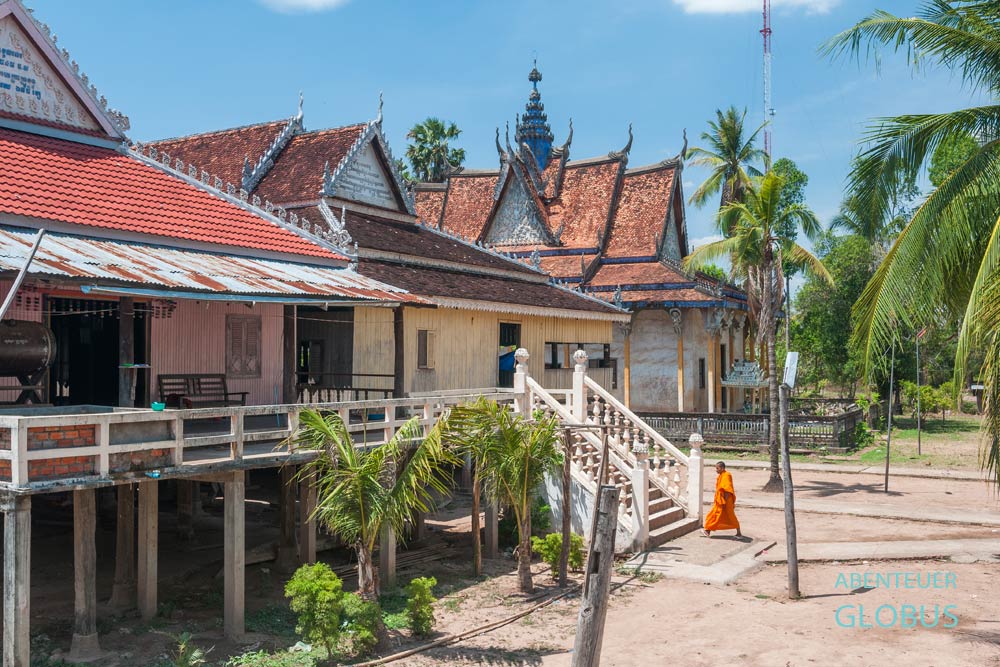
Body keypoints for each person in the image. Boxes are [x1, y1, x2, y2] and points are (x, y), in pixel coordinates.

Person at [702, 461, 742, 537]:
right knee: (714, 515)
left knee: (730, 516)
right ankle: (707, 530)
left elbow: (727, 490)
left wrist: (725, 501)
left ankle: (739, 533)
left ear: (722, 468)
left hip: (726, 500)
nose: (716, 470)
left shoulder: (727, 475)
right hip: (720, 500)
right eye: (716, 468)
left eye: (717, 468)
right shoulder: (721, 475)